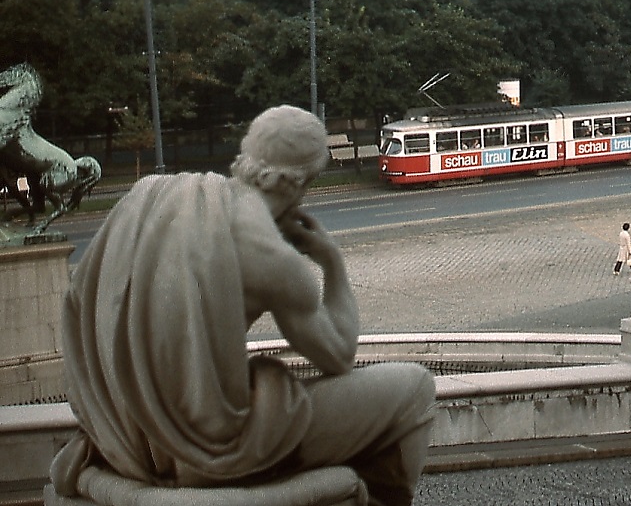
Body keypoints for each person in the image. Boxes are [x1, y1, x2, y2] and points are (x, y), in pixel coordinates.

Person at [50, 105, 436, 505]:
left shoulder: (151, 194)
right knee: (416, 389)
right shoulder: (276, 261)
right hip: (212, 453)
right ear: (297, 182)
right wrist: (332, 263)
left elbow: (80, 300)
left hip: (124, 441)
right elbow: (338, 355)